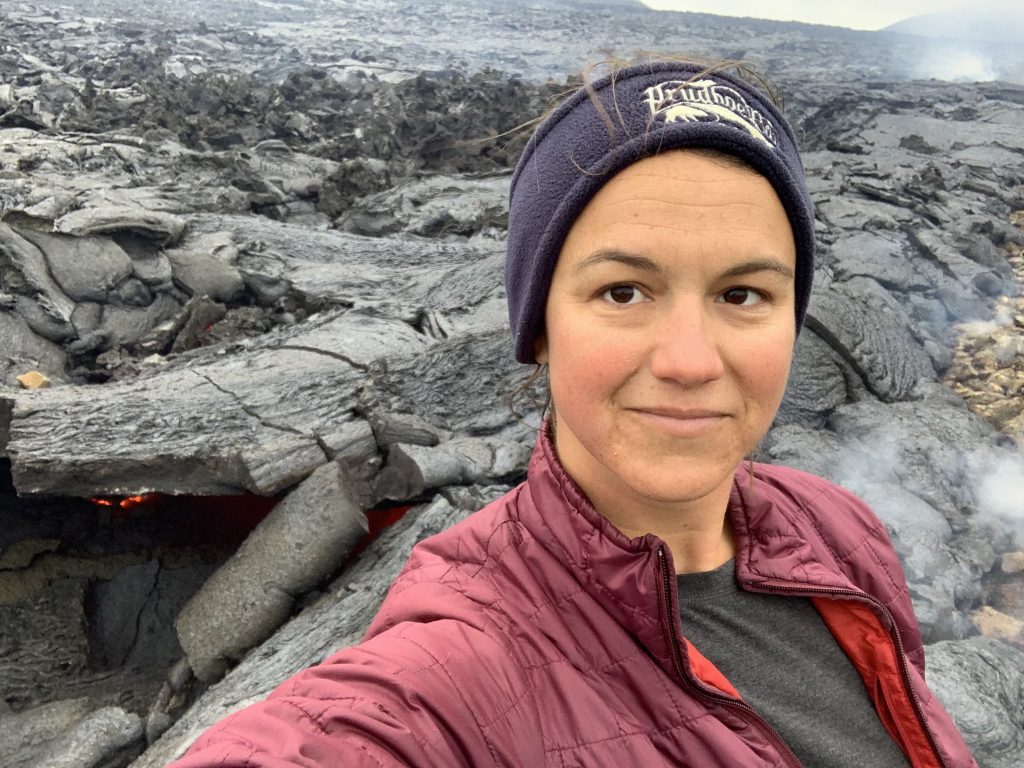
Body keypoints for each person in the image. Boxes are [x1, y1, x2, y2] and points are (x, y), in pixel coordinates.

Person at [169, 58, 976, 767]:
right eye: (623, 291)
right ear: (539, 329)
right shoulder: (459, 667)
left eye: (743, 294)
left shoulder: (837, 531)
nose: (691, 361)